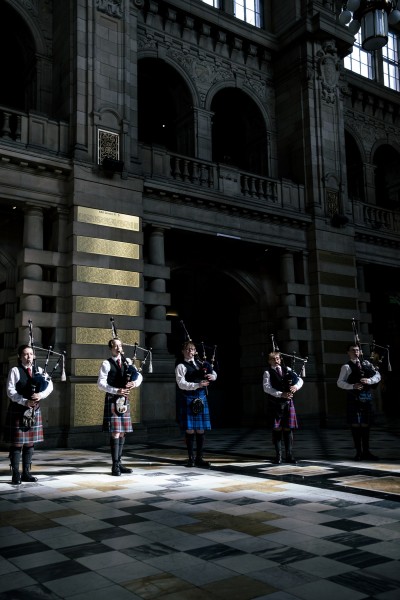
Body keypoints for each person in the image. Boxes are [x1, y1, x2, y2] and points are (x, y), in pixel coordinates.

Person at [5, 344, 54, 484]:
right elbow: (10, 391)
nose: (29, 357)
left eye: (31, 354)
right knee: (17, 443)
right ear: (20, 356)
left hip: (34, 410)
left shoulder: (39, 370)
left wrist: (40, 395)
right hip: (18, 409)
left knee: (29, 443)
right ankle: (15, 474)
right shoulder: (15, 370)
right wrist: (24, 401)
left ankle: (26, 473)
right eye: (26, 354)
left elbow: (50, 385)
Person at [97, 338, 143, 476]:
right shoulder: (106, 363)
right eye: (115, 346)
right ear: (110, 348)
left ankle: (119, 463)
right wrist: (116, 390)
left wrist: (134, 383)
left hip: (124, 399)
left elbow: (138, 376)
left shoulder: (127, 361)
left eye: (120, 346)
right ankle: (115, 465)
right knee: (116, 432)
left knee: (122, 432)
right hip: (113, 398)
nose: (118, 348)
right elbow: (100, 384)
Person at [175, 340, 217, 468]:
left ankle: (199, 458)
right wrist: (197, 385)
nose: (190, 351)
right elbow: (181, 384)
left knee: (200, 429)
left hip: (201, 397)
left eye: (192, 349)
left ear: (195, 351)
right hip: (188, 397)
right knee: (190, 430)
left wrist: (212, 376)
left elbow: (213, 373)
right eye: (187, 349)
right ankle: (191, 458)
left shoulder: (201, 363)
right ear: (183, 352)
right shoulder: (181, 366)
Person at [337, 344, 381, 460]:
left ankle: (366, 452)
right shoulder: (346, 367)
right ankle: (358, 452)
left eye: (357, 350)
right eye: (353, 350)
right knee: (355, 425)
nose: (356, 352)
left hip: (366, 398)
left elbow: (377, 376)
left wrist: (369, 380)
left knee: (366, 424)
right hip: (354, 398)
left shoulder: (366, 364)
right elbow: (340, 382)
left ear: (360, 352)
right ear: (348, 352)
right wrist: (352, 386)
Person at [263, 351, 303, 464]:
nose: (276, 360)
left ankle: (289, 455)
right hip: (275, 403)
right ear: (269, 361)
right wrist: (281, 394)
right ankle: (278, 456)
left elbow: (300, 380)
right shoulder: (267, 372)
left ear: (280, 359)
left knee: (287, 428)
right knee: (277, 428)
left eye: (277, 358)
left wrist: (295, 387)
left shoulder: (287, 369)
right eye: (273, 359)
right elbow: (266, 388)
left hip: (288, 403)